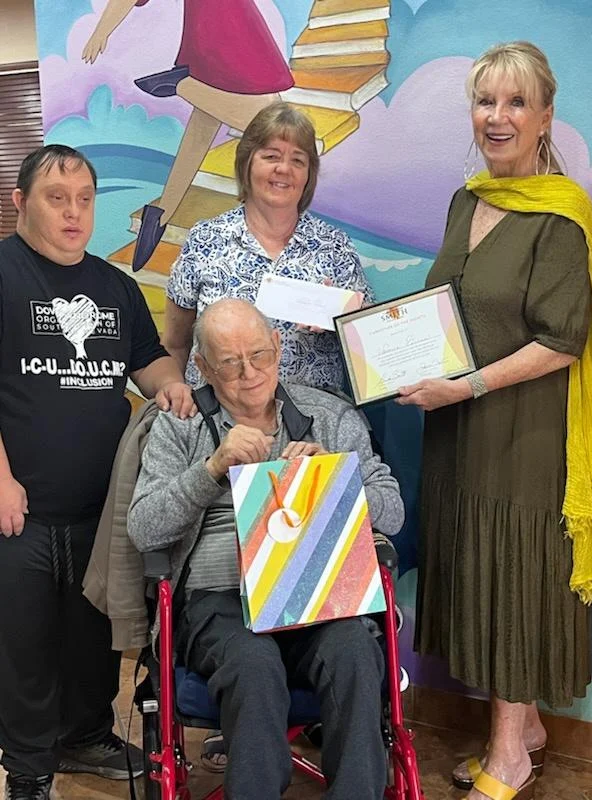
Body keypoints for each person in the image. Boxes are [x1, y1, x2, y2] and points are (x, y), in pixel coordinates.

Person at [396, 42, 592, 800]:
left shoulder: (561, 214)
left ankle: (509, 754)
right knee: (477, 570)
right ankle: (529, 731)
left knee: (515, 573)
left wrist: (466, 386)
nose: (498, 117)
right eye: (486, 101)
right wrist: (371, 329)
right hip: (458, 431)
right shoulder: (466, 199)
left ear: (546, 115)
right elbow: (444, 309)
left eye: (516, 103)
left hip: (525, 432)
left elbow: (561, 340)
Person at [128, 298, 404, 800]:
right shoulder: (182, 423)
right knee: (254, 665)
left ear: (278, 346)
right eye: (229, 362)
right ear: (204, 367)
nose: (250, 372)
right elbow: (144, 529)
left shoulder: (328, 416)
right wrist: (209, 471)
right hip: (220, 602)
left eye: (259, 354)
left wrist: (334, 481)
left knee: (356, 652)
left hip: (317, 597)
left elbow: (392, 509)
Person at [0, 144, 195, 800]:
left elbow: (149, 359)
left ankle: (85, 736)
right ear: (22, 202)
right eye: (57, 199)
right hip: (20, 508)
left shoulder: (116, 288)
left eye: (84, 198)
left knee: (94, 637)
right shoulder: (2, 274)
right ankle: (28, 769)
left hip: (103, 510)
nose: (74, 212)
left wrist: (174, 389)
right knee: (23, 645)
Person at [164, 101, 373, 389]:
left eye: (298, 160)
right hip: (218, 424)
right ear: (247, 162)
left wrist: (347, 322)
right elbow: (176, 344)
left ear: (308, 175)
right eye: (271, 156)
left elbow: (369, 352)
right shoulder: (205, 240)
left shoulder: (335, 248)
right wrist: (178, 404)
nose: (284, 169)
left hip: (314, 425)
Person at [82, 0, 294, 270]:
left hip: (222, 27)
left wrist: (102, 30)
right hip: (226, 30)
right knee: (272, 119)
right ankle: (182, 85)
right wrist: (102, 30)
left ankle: (160, 215)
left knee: (200, 133)